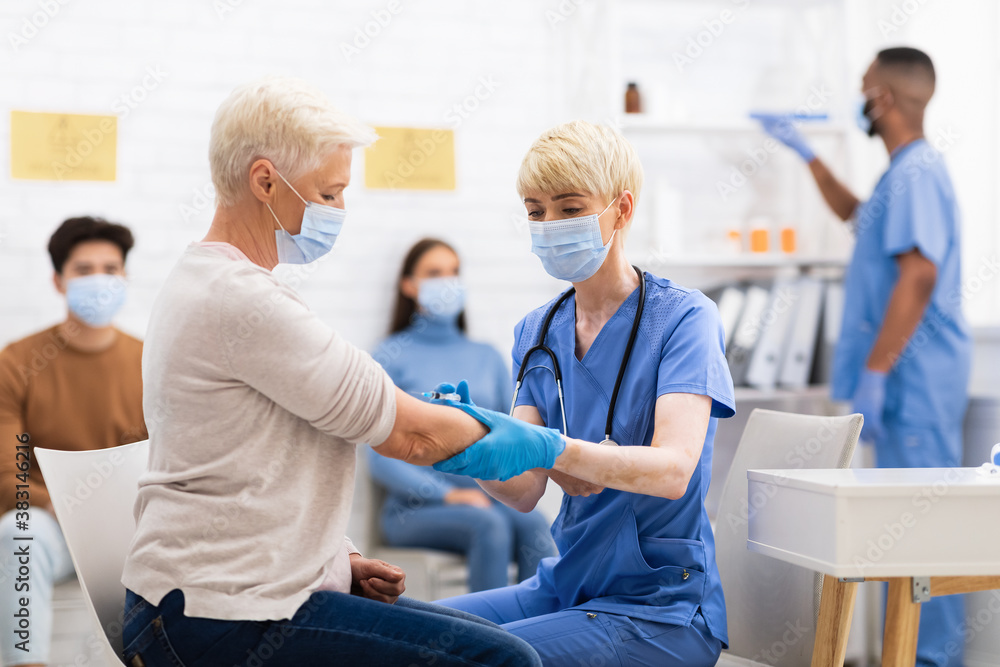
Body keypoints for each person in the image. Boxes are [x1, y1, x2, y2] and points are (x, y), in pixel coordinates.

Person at [119, 77, 584, 667]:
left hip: (208, 599)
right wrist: (558, 452)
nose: (339, 211)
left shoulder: (206, 283)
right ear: (265, 181)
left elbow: (246, 469)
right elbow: (414, 434)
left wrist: (330, 562)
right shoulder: (244, 303)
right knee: (507, 662)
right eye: (329, 193)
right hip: (217, 618)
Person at [432, 120, 737, 666]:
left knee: (479, 659)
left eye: (570, 208)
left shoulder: (684, 318)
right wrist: (469, 443)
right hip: (567, 584)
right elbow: (524, 488)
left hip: (660, 608)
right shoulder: (539, 330)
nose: (549, 224)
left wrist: (553, 450)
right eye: (535, 210)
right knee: (410, 635)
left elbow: (672, 471)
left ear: (621, 210)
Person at [756, 47, 970, 667]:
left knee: (927, 531)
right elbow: (861, 216)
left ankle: (933, 660)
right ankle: (908, 655)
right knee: (905, 528)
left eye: (863, 88)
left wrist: (876, 372)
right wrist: (808, 155)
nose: (858, 97)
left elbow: (920, 276)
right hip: (906, 380)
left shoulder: (919, 171)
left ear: (885, 100)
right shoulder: (899, 174)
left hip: (915, 380)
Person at [368, 238, 556, 592]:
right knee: (489, 526)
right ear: (409, 285)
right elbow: (376, 457)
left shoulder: (486, 356)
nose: (448, 281)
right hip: (413, 511)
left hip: (487, 501)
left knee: (535, 526)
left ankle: (535, 636)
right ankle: (491, 641)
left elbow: (509, 436)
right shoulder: (390, 354)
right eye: (435, 273)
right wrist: (446, 495)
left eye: (454, 272)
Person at [0, 216, 146, 667]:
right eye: (84, 270)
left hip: (133, 528)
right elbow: (10, 477)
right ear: (58, 281)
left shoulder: (150, 361)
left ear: (125, 277)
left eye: (110, 268)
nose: (99, 279)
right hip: (52, 525)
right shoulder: (17, 361)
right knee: (17, 534)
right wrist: (71, 508)